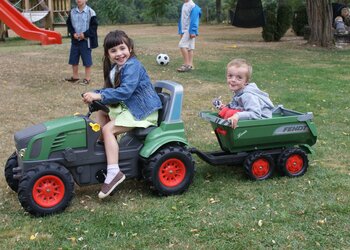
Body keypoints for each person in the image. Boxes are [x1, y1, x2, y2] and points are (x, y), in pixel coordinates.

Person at [82, 30, 162, 199]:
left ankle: (114, 172)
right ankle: (103, 154)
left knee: (108, 130)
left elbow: (125, 92)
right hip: (130, 107)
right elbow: (112, 90)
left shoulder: (133, 66)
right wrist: (95, 93)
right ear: (107, 54)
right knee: (102, 113)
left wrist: (100, 96)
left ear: (130, 48)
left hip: (142, 111)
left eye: (122, 48)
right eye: (113, 51)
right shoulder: (116, 68)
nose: (119, 54)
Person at [214, 59, 274, 129]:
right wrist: (224, 107)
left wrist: (237, 115)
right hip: (250, 117)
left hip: (262, 122)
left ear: (246, 81)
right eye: (230, 76)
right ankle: (223, 127)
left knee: (230, 114)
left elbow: (256, 114)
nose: (233, 80)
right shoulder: (239, 91)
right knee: (225, 111)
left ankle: (225, 129)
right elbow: (238, 105)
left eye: (239, 78)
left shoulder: (248, 95)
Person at [65, 0, 98, 85]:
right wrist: (73, 33)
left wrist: (85, 34)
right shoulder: (72, 12)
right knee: (74, 59)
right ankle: (75, 77)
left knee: (87, 60)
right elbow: (69, 24)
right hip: (75, 40)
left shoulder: (91, 12)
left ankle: (87, 78)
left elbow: (93, 27)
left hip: (86, 41)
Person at [177, 0, 201, 72]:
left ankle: (186, 65)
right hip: (185, 30)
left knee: (182, 45)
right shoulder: (184, 4)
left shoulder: (193, 6)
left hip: (189, 30)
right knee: (190, 48)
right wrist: (181, 30)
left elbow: (194, 19)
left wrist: (193, 31)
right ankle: (190, 65)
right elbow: (182, 19)